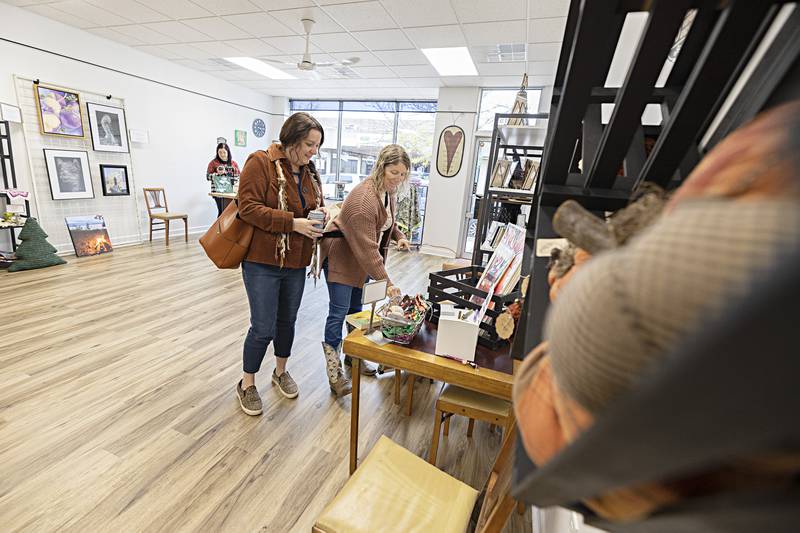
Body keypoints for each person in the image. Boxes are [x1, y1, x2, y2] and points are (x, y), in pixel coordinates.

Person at [235, 112, 327, 415]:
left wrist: (320, 218)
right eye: (309, 144)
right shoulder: (260, 162)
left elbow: (312, 207)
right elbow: (247, 208)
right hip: (262, 261)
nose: (313, 151)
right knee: (262, 327)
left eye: (316, 146)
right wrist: (292, 224)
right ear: (291, 139)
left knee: (287, 322)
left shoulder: (310, 172)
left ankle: (280, 371)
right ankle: (247, 384)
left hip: (296, 261)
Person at [319, 144, 412, 396]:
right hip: (343, 257)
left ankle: (353, 357)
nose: (398, 179)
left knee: (355, 310)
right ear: (381, 167)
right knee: (338, 312)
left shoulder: (386, 191)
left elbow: (385, 223)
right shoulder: (363, 200)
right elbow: (369, 250)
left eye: (403, 174)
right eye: (394, 172)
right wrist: (388, 282)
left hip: (361, 258)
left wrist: (399, 236)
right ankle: (334, 371)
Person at [206, 142, 240, 216]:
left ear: (228, 152)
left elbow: (239, 177)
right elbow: (208, 177)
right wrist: (217, 174)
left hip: (231, 192)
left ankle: (228, 227)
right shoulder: (213, 163)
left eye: (224, 152)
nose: (222, 154)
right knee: (222, 212)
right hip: (218, 192)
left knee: (231, 213)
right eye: (220, 152)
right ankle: (219, 227)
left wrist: (233, 173)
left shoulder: (233, 163)